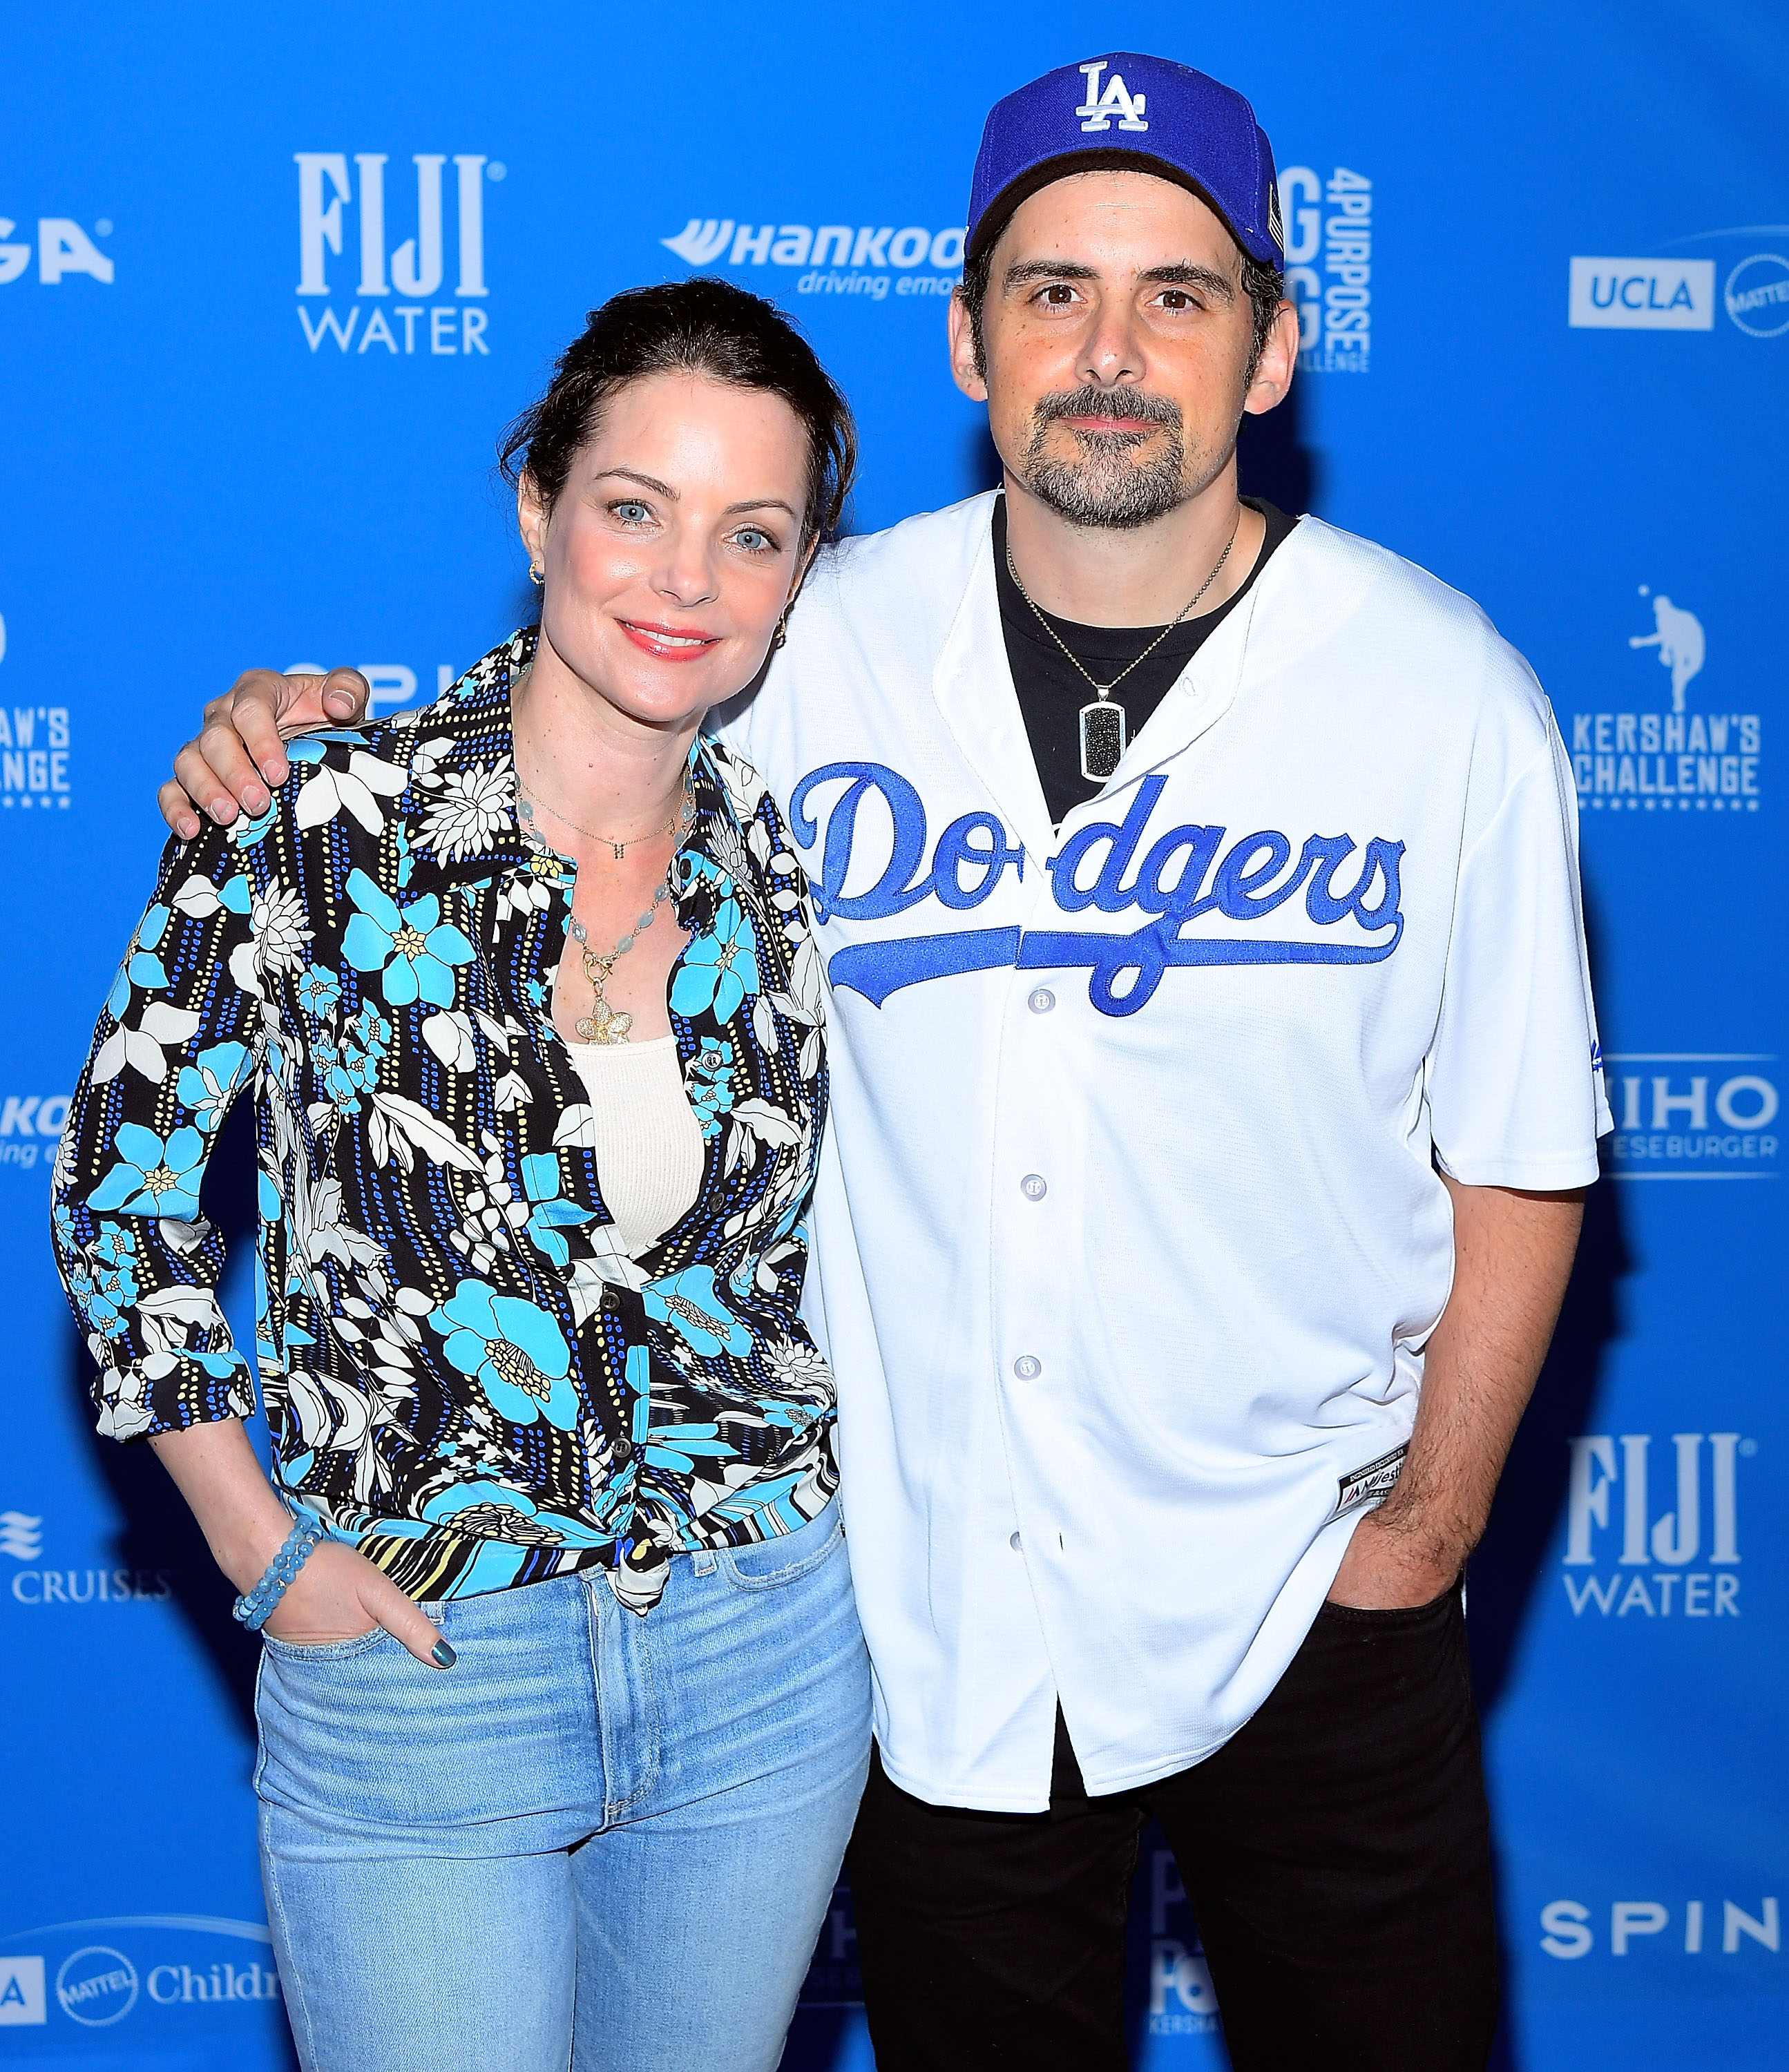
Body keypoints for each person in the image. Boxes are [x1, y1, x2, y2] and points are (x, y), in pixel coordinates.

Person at [155, 50, 1610, 2072]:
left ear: (1273, 350)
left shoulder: (1448, 697)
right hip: (939, 1613)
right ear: (968, 343)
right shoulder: (800, 636)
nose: (1111, 351)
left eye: (1178, 295)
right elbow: (554, 734)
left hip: (1310, 1590)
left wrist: (1431, 1533)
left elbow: (1524, 1158)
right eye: (1052, 293)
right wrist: (285, 735)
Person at [54, 279, 872, 2072]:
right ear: (538, 507)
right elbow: (122, 1190)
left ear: (803, 574)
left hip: (765, 1651)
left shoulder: (809, 849)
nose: (683, 582)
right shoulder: (320, 812)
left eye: (752, 536)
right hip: (425, 1668)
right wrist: (258, 1548)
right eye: (633, 509)